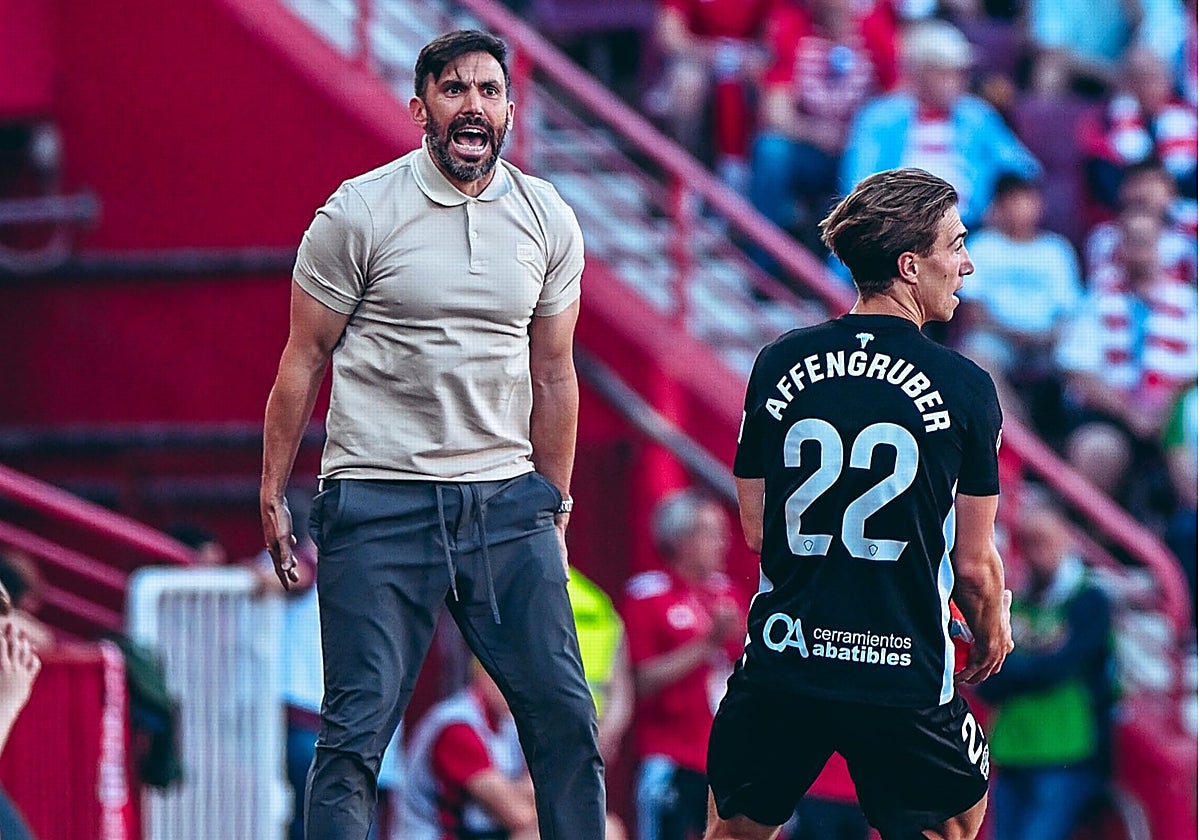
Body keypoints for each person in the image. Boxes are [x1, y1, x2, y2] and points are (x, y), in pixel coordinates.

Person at [259, 29, 604, 840]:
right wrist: (273, 491)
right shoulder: (357, 211)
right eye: (453, 91)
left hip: (505, 503)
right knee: (351, 739)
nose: (472, 106)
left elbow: (554, 374)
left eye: (488, 91)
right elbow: (303, 359)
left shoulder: (546, 214)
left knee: (565, 721)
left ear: (511, 112)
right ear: (421, 109)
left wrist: (553, 500)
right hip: (378, 501)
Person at [707, 167, 1013, 840]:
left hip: (787, 658)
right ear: (910, 265)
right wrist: (993, 630)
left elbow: (758, 529)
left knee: (733, 832)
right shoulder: (965, 387)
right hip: (900, 669)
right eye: (955, 246)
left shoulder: (778, 361)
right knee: (955, 823)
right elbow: (973, 563)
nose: (966, 265)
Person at [976, 501, 1116, 840]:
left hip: (1066, 751)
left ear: (1066, 538)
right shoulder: (1016, 600)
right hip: (1012, 748)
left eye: (1044, 540)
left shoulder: (1089, 598)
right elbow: (984, 677)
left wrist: (1014, 667)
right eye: (1028, 542)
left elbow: (1063, 666)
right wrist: (1031, 665)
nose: (1035, 552)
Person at [621, 489, 746, 840]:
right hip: (670, 759)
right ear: (680, 539)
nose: (724, 542)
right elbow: (641, 680)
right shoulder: (648, 596)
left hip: (721, 764)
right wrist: (706, 643)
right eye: (712, 533)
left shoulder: (728, 594)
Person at [841, 20, 1041, 232]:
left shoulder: (977, 116)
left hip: (969, 226)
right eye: (948, 73)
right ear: (920, 73)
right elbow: (858, 183)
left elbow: (1023, 166)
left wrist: (998, 198)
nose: (960, 81)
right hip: (898, 229)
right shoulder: (879, 117)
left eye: (962, 73)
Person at [402, 662, 628, 840]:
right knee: (572, 831)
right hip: (443, 835)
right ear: (484, 672)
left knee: (605, 829)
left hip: (486, 832)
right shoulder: (457, 727)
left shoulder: (509, 720)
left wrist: (528, 790)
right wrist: (529, 790)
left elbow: (547, 792)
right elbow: (520, 815)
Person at [748, 0, 896, 260]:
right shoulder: (794, 29)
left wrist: (857, 139)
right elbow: (776, 112)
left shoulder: (875, 33)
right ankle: (761, 261)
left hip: (858, 151)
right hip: (809, 149)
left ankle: (850, 273)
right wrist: (818, 134)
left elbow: (897, 106)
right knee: (771, 150)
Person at [955, 174, 1082, 423]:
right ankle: (1021, 431)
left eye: (1026, 200)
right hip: (997, 336)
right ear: (998, 206)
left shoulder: (1056, 250)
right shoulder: (981, 246)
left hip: (1049, 339)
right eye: (1011, 201)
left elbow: (1069, 311)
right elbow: (973, 311)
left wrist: (1046, 337)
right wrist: (1014, 334)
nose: (1020, 209)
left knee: (1080, 352)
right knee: (974, 357)